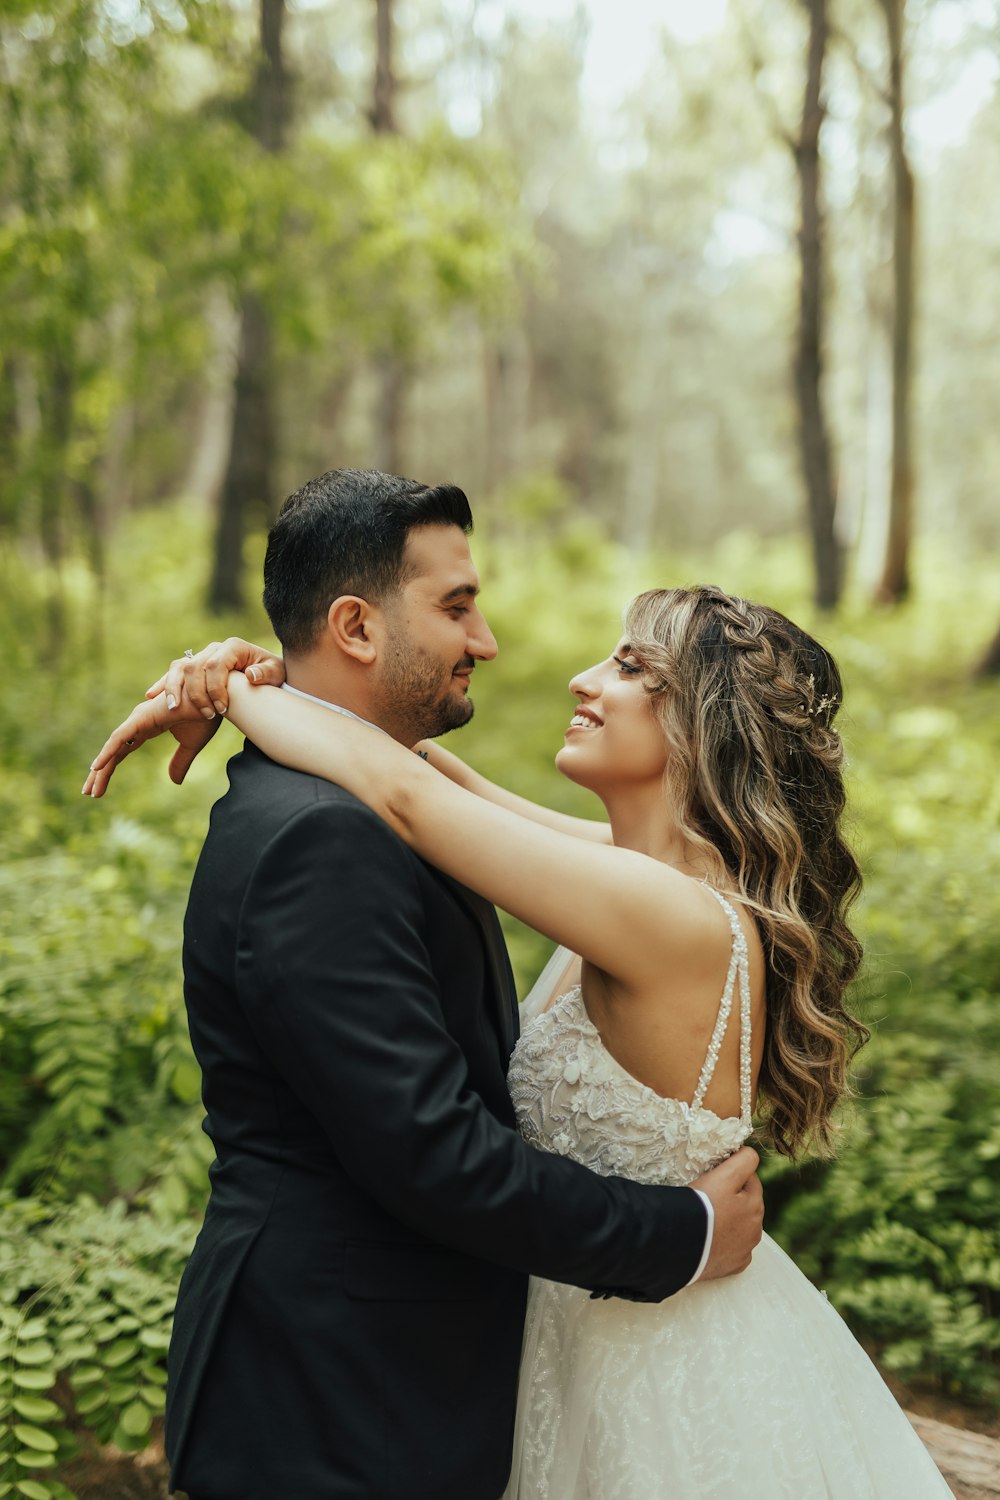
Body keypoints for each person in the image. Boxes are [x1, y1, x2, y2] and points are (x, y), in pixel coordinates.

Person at [84, 469, 764, 1500]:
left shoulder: (386, 806)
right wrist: (684, 1234)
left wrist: (243, 683)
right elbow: (437, 1158)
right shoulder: (327, 836)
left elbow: (425, 790)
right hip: (330, 1400)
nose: (485, 640)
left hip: (418, 1381)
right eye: (457, 605)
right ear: (357, 627)